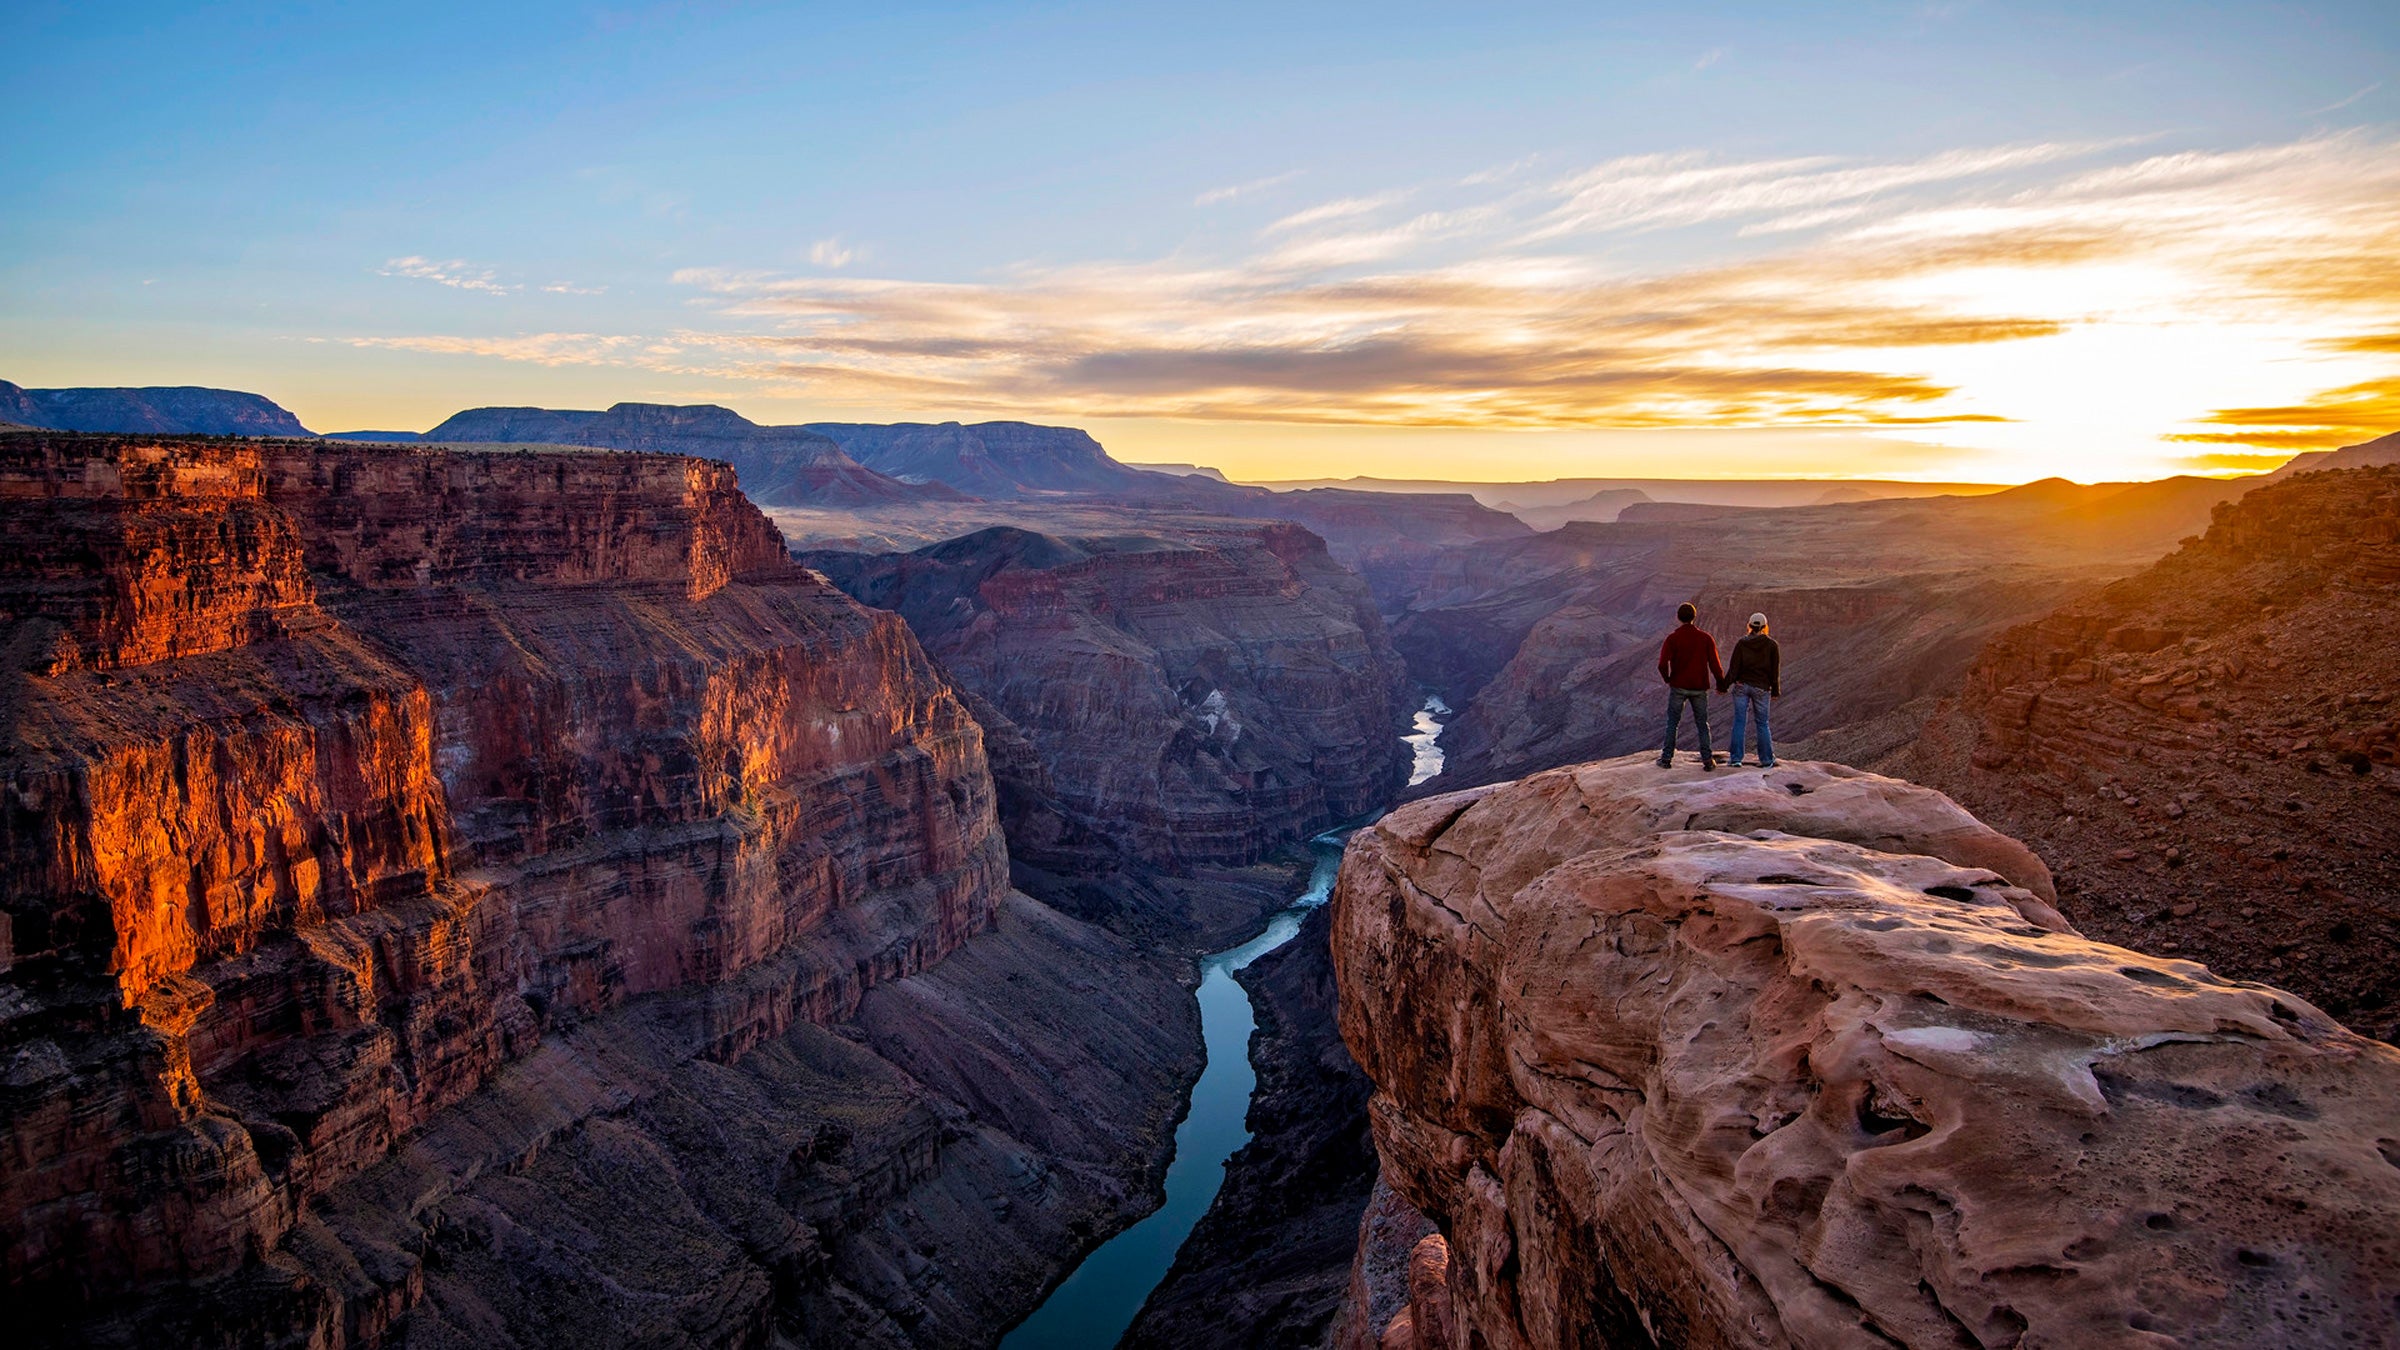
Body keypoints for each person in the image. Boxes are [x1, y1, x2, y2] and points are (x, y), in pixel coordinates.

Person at [1656, 602, 1724, 769]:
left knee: (1673, 722)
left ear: (1678, 618)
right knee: (1702, 723)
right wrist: (1721, 684)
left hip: (1678, 686)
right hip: (1699, 687)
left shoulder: (1673, 638)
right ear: (1694, 617)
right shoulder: (1706, 638)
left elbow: (1662, 664)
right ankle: (1707, 760)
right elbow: (1715, 665)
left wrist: (1668, 679)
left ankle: (1666, 759)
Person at [1720, 612, 1780, 768]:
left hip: (1741, 686)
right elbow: (1775, 672)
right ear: (1765, 627)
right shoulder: (1772, 645)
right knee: (1762, 723)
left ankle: (1736, 759)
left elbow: (1733, 669)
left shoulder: (1742, 643)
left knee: (1739, 722)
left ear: (1750, 626)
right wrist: (1775, 691)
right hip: (1762, 688)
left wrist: (1723, 686)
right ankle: (1766, 760)